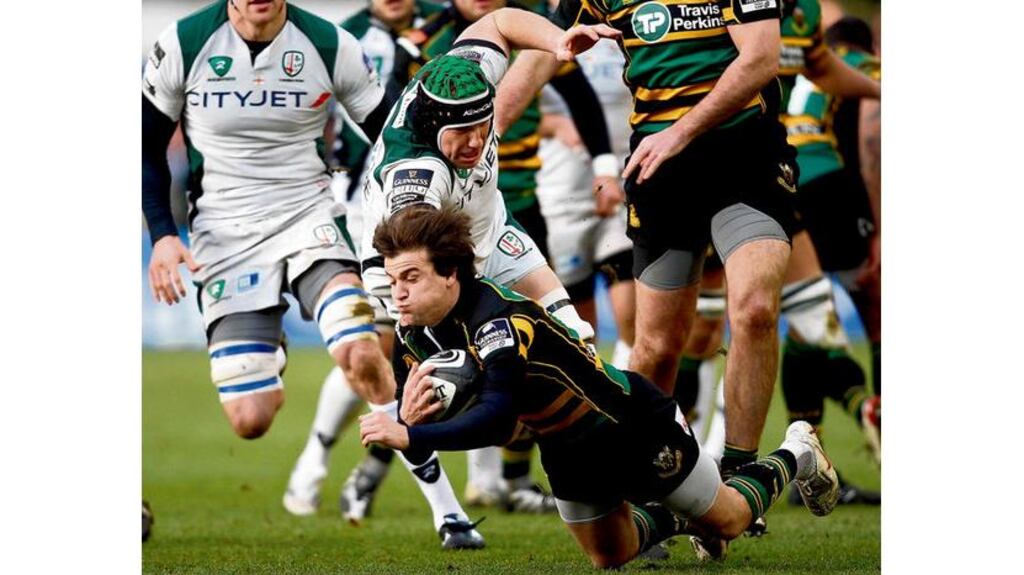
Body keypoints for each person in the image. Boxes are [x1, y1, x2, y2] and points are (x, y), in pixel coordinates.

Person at [142, 0, 484, 549]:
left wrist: (409, 198)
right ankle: (265, 333)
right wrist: (162, 234)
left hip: (310, 219)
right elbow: (145, 147)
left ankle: (449, 514)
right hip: (225, 237)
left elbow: (392, 131)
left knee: (362, 350)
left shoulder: (328, 44)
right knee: (250, 419)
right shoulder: (184, 43)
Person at [358, 205, 840, 567]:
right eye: (392, 277)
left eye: (411, 277)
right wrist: (411, 415)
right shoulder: (412, 333)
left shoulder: (499, 323)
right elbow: (437, 412)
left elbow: (499, 416)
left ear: (451, 276)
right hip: (566, 449)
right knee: (611, 556)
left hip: (627, 424)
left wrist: (413, 434)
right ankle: (679, 516)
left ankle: (797, 451)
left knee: (732, 520)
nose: (396, 291)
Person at [357, 0, 621, 515]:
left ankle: (610, 475)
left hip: (489, 227)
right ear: (433, 128)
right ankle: (448, 473)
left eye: (484, 126)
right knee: (493, 375)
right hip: (419, 266)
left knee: (579, 342)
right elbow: (425, 269)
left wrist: (554, 40)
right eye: (461, 133)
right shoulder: (413, 181)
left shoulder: (467, 74)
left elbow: (500, 22)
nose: (477, 142)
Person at [282, 0, 453, 524]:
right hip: (362, 201)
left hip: (440, 192)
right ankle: (322, 460)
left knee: (429, 346)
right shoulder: (343, 36)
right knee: (379, 345)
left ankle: (359, 474)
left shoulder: (447, 26)